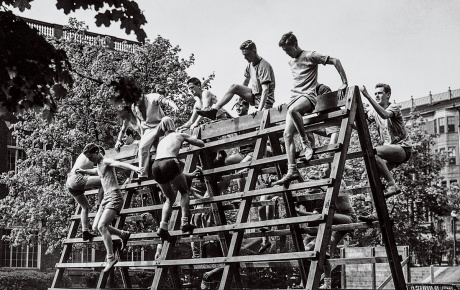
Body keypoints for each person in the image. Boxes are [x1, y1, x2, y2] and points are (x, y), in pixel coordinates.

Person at [274, 32, 348, 186]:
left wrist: (344, 82)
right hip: (295, 97)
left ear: (295, 44)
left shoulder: (310, 55)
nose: (287, 53)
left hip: (309, 96)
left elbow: (335, 60)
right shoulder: (291, 62)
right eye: (284, 51)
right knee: (287, 134)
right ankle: (292, 170)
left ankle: (307, 143)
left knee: (294, 111)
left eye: (288, 49)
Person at [80, 143, 144, 272]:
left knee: (101, 226)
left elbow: (119, 164)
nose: (90, 160)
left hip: (115, 197)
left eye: (91, 157)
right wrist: (83, 171)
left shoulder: (105, 161)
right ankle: (123, 234)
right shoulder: (98, 165)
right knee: (95, 226)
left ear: (97, 152)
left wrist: (135, 168)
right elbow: (96, 172)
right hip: (106, 199)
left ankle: (110, 258)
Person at [151, 118, 206, 241]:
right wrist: (193, 134)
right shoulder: (179, 134)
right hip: (170, 162)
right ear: (174, 126)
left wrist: (190, 175)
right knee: (184, 192)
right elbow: (200, 144)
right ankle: (185, 222)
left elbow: (171, 170)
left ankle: (163, 227)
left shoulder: (161, 141)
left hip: (155, 166)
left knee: (169, 198)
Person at [296, 180, 357, 289]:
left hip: (347, 218)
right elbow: (303, 186)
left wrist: (300, 211)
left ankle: (325, 248)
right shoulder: (321, 192)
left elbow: (333, 183)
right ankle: (326, 283)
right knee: (326, 249)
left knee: (327, 216)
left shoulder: (338, 184)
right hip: (336, 222)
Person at [196, 40, 275, 120]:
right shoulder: (250, 65)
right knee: (234, 87)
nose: (245, 57)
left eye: (247, 55)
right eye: (243, 55)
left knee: (261, 119)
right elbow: (245, 82)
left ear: (254, 52)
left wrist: (259, 110)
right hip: (255, 96)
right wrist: (241, 97)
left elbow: (265, 90)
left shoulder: (263, 66)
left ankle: (261, 112)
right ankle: (214, 110)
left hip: (265, 100)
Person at [115, 86, 179, 182]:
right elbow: (140, 124)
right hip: (149, 130)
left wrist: (174, 106)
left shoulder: (152, 97)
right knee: (142, 147)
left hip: (160, 124)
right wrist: (142, 139)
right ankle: (142, 174)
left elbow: (166, 100)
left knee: (167, 119)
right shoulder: (133, 107)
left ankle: (172, 143)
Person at [360, 84, 412, 197]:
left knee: (372, 152)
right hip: (391, 151)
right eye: (375, 94)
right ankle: (375, 212)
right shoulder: (373, 112)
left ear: (388, 95)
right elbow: (360, 126)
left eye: (380, 93)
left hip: (403, 148)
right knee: (373, 177)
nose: (377, 96)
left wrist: (368, 96)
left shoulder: (393, 107)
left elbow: (384, 115)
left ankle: (392, 185)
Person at [66, 151, 103, 241]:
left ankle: (85, 232)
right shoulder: (93, 154)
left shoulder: (83, 156)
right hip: (76, 179)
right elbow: (100, 170)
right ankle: (99, 205)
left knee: (85, 207)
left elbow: (90, 169)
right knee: (104, 180)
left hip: (69, 181)